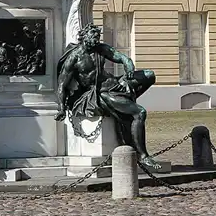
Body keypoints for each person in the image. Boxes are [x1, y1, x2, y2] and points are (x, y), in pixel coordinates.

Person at [55, 23, 161, 168]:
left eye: (98, 36)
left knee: (150, 75)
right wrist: (61, 108)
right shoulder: (74, 58)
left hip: (116, 83)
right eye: (93, 36)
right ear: (84, 37)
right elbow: (62, 85)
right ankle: (143, 156)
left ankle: (127, 101)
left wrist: (128, 65)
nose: (96, 39)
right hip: (102, 93)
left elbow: (121, 57)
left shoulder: (101, 49)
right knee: (140, 112)